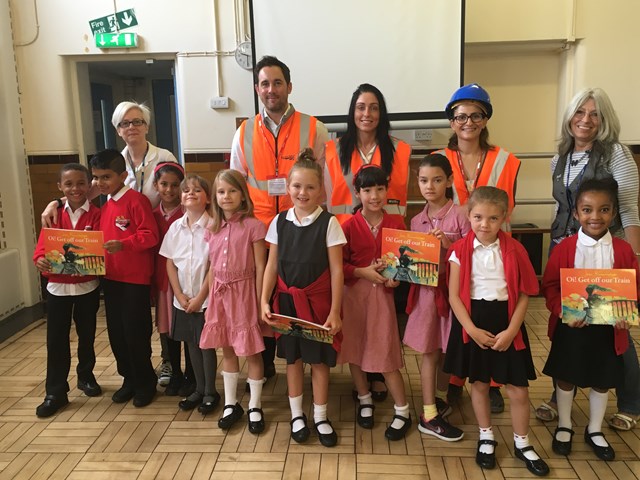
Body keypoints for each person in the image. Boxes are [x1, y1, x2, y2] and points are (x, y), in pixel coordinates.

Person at [41, 100, 179, 386]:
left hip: (163, 244)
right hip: (115, 270)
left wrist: (127, 242)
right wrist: (56, 202)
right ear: (117, 129)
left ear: (147, 125)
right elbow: (80, 192)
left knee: (161, 311)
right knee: (119, 328)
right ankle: (132, 378)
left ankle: (166, 367)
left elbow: (174, 191)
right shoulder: (112, 168)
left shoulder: (163, 156)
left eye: (137, 121)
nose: (132, 127)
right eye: (125, 123)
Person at [536, 87, 640, 431]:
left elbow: (627, 208)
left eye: (594, 114)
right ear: (570, 117)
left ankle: (630, 402)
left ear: (604, 119)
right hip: (567, 250)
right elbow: (560, 206)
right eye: (580, 112)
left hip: (609, 253)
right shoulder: (560, 157)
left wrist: (633, 262)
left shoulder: (617, 154)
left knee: (615, 331)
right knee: (567, 329)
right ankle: (559, 396)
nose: (586, 120)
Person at [231, 55, 329, 385]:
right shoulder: (244, 131)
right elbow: (235, 182)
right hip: (258, 229)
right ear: (256, 88)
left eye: (277, 83)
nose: (270, 89)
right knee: (259, 292)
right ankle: (264, 358)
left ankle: (300, 354)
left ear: (289, 86)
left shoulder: (315, 128)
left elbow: (325, 183)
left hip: (300, 228)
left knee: (294, 293)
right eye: (264, 83)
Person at [445, 186, 549, 476]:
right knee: (478, 383)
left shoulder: (516, 250)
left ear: (505, 216)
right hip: (473, 320)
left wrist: (512, 330)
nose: (485, 224)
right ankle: (486, 435)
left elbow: (527, 293)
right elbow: (454, 295)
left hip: (507, 322)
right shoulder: (458, 252)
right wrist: (472, 330)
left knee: (517, 389)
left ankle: (522, 442)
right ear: (468, 215)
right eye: (478, 217)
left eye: (493, 218)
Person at [325, 83, 412, 400]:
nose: (367, 113)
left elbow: (402, 199)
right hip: (347, 236)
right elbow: (328, 196)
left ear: (381, 112)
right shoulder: (333, 149)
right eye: (361, 107)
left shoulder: (399, 149)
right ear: (352, 112)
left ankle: (378, 377)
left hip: (387, 236)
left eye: (373, 107)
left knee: (382, 316)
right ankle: (363, 382)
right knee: (357, 316)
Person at [438, 83, 521, 412]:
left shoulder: (507, 160)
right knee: (459, 312)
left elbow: (509, 207)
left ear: (486, 119)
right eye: (460, 116)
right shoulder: (440, 159)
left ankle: (494, 380)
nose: (468, 122)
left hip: (495, 252)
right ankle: (459, 377)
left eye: (476, 115)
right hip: (455, 252)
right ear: (451, 121)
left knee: (493, 311)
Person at [542, 178, 638, 461]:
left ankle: (595, 429)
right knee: (566, 375)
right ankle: (565, 424)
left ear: (614, 212)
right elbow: (550, 286)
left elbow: (633, 288)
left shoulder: (623, 250)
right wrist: (561, 311)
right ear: (576, 213)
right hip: (571, 328)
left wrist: (627, 314)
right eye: (587, 210)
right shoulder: (564, 248)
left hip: (608, 331)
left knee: (602, 378)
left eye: (604, 210)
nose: (595, 216)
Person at [261, 149, 345, 447]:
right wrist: (264, 300)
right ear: (288, 187)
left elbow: (337, 271)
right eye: (297, 186)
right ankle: (297, 415)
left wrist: (335, 311)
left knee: (320, 362)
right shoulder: (279, 221)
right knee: (293, 360)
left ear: (321, 190)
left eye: (310, 187)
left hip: (319, 305)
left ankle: (320, 416)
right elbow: (271, 265)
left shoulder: (329, 223)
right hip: (286, 304)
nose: (303, 192)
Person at [340, 165, 412, 441]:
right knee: (355, 349)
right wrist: (360, 271)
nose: (374, 195)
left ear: (386, 190)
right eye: (368, 190)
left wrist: (397, 279)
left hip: (382, 297)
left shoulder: (396, 224)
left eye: (380, 188)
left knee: (386, 352)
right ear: (358, 193)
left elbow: (405, 264)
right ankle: (364, 396)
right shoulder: (348, 226)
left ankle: (402, 409)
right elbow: (340, 266)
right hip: (354, 297)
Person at [403, 154, 470, 441]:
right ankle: (428, 413)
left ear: (450, 181)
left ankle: (440, 398)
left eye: (437, 180)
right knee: (429, 351)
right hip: (427, 297)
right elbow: (409, 260)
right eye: (423, 180)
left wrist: (450, 244)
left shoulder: (462, 215)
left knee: (448, 351)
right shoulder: (416, 220)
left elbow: (474, 255)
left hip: (455, 295)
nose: (429, 186)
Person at [199, 169, 267, 434]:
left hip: (245, 294)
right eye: (221, 191)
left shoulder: (254, 226)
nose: (226, 196)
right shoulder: (212, 228)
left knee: (251, 352)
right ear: (215, 196)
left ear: (243, 195)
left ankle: (255, 405)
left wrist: (261, 300)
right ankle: (230, 404)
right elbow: (213, 268)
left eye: (232, 191)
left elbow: (261, 266)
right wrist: (202, 297)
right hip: (220, 296)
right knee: (226, 349)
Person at [32, 163, 102, 417]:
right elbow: (42, 246)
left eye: (81, 183)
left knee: (87, 336)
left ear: (89, 186)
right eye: (69, 184)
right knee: (56, 341)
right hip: (57, 288)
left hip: (87, 287)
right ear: (60, 187)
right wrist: (39, 259)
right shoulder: (53, 215)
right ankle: (55, 392)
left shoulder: (97, 214)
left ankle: (86, 376)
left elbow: (100, 249)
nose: (75, 188)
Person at [90, 149, 159, 407]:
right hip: (111, 279)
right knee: (117, 334)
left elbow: (151, 236)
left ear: (122, 175)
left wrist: (125, 244)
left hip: (135, 280)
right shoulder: (105, 206)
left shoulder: (136, 201)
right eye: (96, 177)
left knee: (135, 333)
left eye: (106, 177)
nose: (100, 183)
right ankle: (128, 379)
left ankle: (145, 383)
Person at [159, 174, 220, 415]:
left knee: (206, 346)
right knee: (191, 344)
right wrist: (180, 295)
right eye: (186, 191)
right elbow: (170, 263)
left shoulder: (214, 226)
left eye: (197, 189)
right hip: (182, 299)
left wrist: (199, 297)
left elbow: (214, 266)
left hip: (205, 300)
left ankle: (210, 392)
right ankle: (198, 388)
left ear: (207, 198)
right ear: (181, 199)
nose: (190, 193)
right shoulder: (176, 227)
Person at [151, 162, 196, 397]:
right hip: (163, 282)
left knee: (187, 328)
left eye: (175, 185)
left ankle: (191, 373)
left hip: (186, 282)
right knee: (167, 328)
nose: (169, 190)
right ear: (155, 185)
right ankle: (174, 371)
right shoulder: (152, 215)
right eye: (164, 184)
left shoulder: (188, 214)